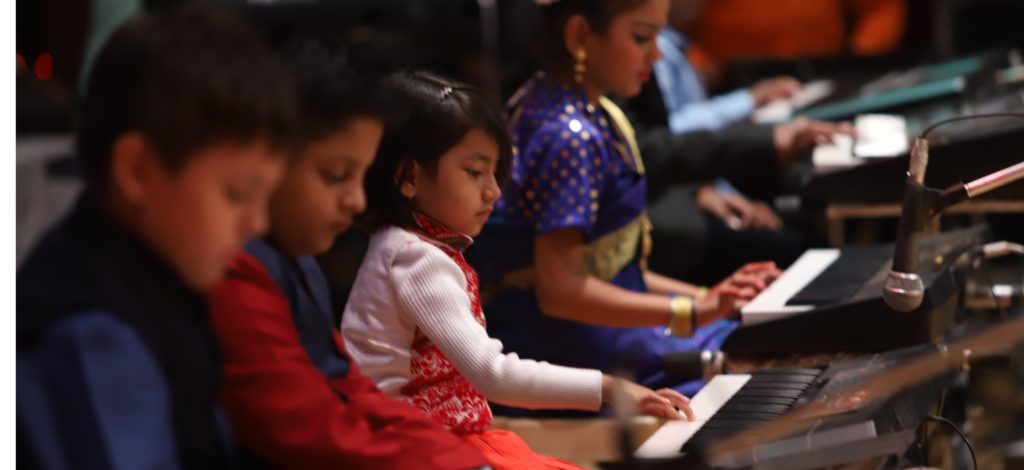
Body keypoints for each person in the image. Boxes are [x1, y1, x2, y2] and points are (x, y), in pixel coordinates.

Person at [341, 70, 694, 470]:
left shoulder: (406, 245)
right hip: (414, 453)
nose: (493, 191)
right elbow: (493, 374)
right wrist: (612, 388)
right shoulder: (414, 259)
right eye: (475, 173)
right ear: (409, 176)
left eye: (495, 173)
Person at [17, 4, 296, 468]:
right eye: (237, 193)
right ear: (137, 170)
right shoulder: (93, 330)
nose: (257, 223)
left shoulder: (159, 273)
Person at [473, 0, 780, 409]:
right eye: (641, 37)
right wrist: (694, 309)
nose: (655, 54)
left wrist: (714, 298)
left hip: (600, 332)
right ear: (580, 36)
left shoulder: (585, 109)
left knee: (763, 336)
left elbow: (616, 272)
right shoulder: (567, 134)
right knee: (767, 366)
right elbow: (560, 291)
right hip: (569, 349)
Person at [207, 38, 491, 470]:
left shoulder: (300, 259)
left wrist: (453, 457)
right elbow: (310, 427)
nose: (357, 200)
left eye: (359, 175)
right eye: (336, 175)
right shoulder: (238, 269)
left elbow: (349, 387)